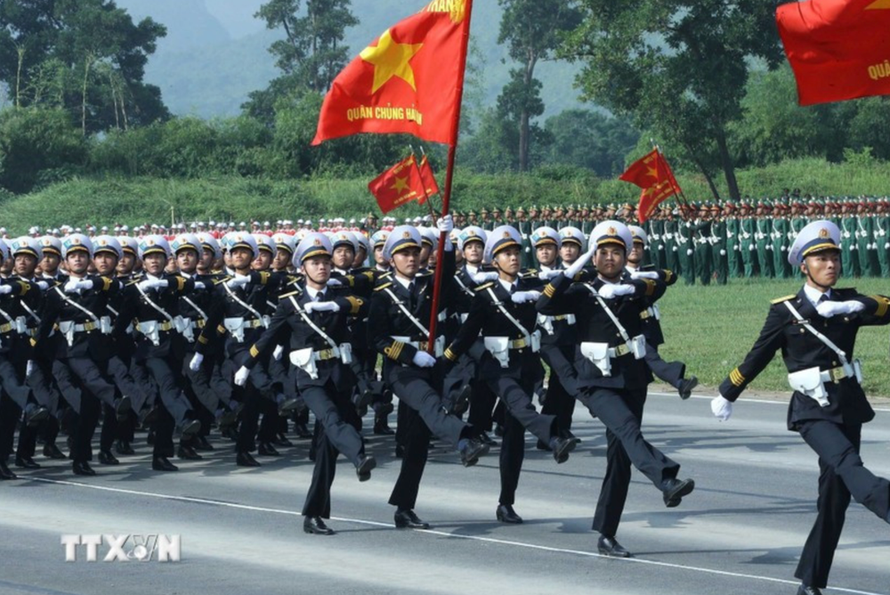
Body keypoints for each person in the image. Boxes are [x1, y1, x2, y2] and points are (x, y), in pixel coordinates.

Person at [712, 220, 890, 595]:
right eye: (821, 259)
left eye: (834, 257)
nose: (830, 264)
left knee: (834, 498)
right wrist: (728, 391)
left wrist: (858, 304)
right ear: (804, 266)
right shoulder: (786, 311)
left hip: (848, 405)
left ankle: (810, 583)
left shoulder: (848, 302)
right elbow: (758, 355)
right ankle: (884, 500)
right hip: (811, 410)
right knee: (849, 464)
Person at [536, 220, 695, 557]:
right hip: (596, 381)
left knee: (620, 458)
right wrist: (571, 272)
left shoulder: (633, 289)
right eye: (603, 252)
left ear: (625, 257)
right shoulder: (581, 291)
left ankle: (606, 534)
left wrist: (630, 288)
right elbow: (544, 305)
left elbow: (661, 283)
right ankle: (666, 478)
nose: (610, 258)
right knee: (628, 429)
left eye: (617, 252)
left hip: (632, 378)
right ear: (593, 257)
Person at [236, 232, 376, 535]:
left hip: (339, 375)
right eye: (315, 262)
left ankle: (312, 515)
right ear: (303, 268)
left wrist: (336, 307)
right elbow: (268, 337)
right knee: (331, 418)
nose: (322, 266)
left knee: (326, 452)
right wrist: (247, 365)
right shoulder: (290, 302)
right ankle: (359, 456)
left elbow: (366, 305)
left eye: (325, 261)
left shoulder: (339, 294)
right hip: (310, 378)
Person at [443, 225, 578, 524]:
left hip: (525, 365)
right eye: (506, 254)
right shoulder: (484, 294)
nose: (513, 257)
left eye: (516, 252)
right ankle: (553, 436)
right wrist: (445, 362)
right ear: (494, 260)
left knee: (514, 437)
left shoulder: (531, 285)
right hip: (496, 367)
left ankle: (506, 502)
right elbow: (467, 333)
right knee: (518, 405)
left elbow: (557, 291)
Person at [367, 220, 489, 530]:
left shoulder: (427, 285)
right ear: (391, 258)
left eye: (415, 252)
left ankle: (404, 508)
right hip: (403, 370)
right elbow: (377, 338)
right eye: (403, 253)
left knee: (418, 443)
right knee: (430, 404)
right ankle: (464, 440)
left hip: (432, 365)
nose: (411, 258)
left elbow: (445, 276)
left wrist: (446, 242)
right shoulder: (382, 293)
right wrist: (409, 354)